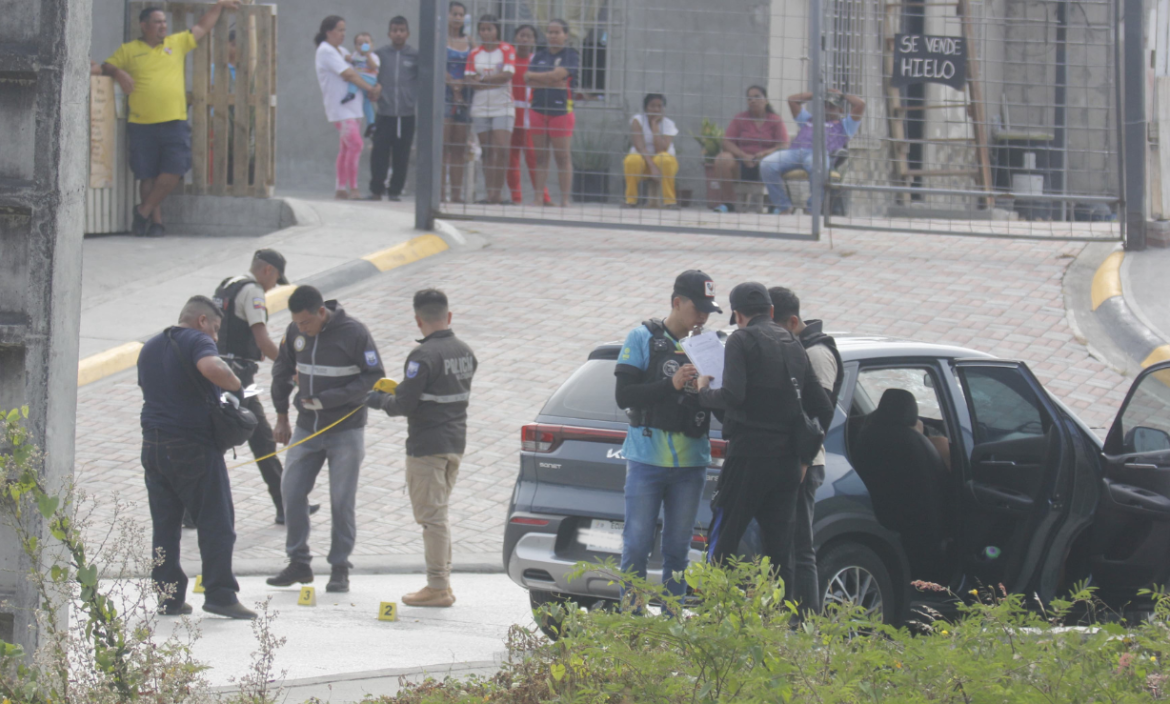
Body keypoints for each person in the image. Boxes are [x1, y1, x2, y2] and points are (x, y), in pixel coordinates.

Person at [696, 283, 833, 591]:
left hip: (749, 456)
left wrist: (703, 392)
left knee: (724, 539)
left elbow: (733, 395)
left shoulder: (741, 340)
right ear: (771, 311)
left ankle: (710, 615)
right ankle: (783, 627)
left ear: (738, 315)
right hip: (787, 464)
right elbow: (823, 407)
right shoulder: (794, 343)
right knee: (781, 553)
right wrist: (805, 457)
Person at [137, 296, 255, 620]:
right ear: (202, 321)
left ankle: (168, 597)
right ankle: (220, 594)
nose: (215, 338)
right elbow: (210, 366)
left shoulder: (150, 347)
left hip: (153, 446)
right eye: (215, 329)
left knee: (165, 526)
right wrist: (236, 384)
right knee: (216, 522)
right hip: (192, 446)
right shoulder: (198, 340)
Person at [613, 270, 722, 604]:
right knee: (636, 545)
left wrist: (709, 386)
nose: (703, 315)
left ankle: (673, 626)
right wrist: (671, 385)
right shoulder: (641, 337)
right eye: (697, 307)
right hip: (647, 459)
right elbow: (624, 396)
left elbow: (725, 402)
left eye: (709, 309)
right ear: (677, 302)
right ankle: (632, 623)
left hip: (691, 464)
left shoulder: (708, 346)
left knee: (678, 549)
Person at [267, 286, 384, 593]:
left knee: (341, 500)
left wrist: (330, 399)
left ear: (322, 312)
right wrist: (281, 415)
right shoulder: (295, 331)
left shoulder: (355, 333)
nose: (301, 329)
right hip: (307, 428)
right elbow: (281, 371)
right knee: (291, 491)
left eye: (306, 323)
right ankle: (299, 562)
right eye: (297, 323)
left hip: (346, 430)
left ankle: (340, 566)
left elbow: (374, 377)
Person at [366, 290, 477, 608]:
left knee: (432, 518)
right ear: (449, 316)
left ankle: (438, 586)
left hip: (427, 445)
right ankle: (441, 582)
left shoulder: (422, 357)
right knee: (437, 514)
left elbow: (403, 404)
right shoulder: (466, 351)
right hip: (455, 443)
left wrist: (379, 400)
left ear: (418, 319)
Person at [102, 0, 241, 238]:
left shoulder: (175, 44)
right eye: (157, 22)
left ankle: (143, 211)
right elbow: (106, 66)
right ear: (143, 25)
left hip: (173, 121)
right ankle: (155, 223)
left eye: (164, 22)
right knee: (146, 175)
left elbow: (202, 27)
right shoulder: (129, 50)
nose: (163, 26)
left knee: (174, 171)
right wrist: (118, 71)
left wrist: (218, 6)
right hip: (141, 123)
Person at [212, 249, 317, 525]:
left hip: (222, 374)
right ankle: (287, 506)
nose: (273, 288)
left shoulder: (228, 285)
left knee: (255, 440)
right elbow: (263, 341)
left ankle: (287, 505)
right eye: (275, 280)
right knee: (250, 439)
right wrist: (290, 369)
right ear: (268, 270)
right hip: (239, 381)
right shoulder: (254, 291)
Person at [769, 286, 842, 616]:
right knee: (784, 546)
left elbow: (818, 414)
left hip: (806, 462)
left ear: (793, 322)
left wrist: (801, 458)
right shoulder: (800, 348)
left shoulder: (816, 354)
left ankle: (807, 620)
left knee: (801, 548)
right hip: (790, 459)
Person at [759, 89, 865, 214]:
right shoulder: (809, 119)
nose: (826, 108)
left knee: (818, 166)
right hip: (794, 152)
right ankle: (784, 207)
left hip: (819, 155)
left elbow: (860, 104)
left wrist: (841, 95)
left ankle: (811, 209)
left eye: (831, 106)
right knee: (766, 164)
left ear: (840, 110)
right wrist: (818, 93)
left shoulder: (845, 125)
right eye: (824, 105)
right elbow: (792, 100)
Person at [314, 15, 381, 201]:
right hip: (341, 108)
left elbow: (364, 68)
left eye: (344, 30)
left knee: (346, 149)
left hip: (354, 107)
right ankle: (354, 188)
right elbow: (349, 74)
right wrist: (369, 88)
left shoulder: (341, 50)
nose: (343, 34)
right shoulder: (326, 51)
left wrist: (375, 85)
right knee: (357, 145)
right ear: (328, 32)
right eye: (340, 30)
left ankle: (340, 188)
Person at [526, 19, 579, 207]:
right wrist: (551, 79)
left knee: (562, 157)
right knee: (540, 157)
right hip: (538, 108)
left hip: (561, 111)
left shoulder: (571, 55)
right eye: (550, 32)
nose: (553, 36)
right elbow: (528, 80)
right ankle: (539, 197)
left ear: (565, 35)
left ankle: (565, 200)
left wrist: (540, 77)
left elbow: (561, 77)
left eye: (557, 32)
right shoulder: (539, 56)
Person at [711, 86, 788, 213]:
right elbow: (726, 142)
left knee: (775, 162)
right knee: (722, 159)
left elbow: (783, 145)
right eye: (749, 98)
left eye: (757, 97)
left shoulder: (775, 120)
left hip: (765, 163)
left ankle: (775, 204)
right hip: (741, 163)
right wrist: (743, 155)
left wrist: (764, 154)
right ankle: (728, 203)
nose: (752, 100)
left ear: (766, 100)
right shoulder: (740, 118)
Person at [465, 14, 516, 205]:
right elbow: (470, 81)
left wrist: (484, 80)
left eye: (490, 29)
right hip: (480, 107)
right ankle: (489, 192)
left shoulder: (506, 49)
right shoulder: (475, 53)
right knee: (487, 151)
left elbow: (507, 75)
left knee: (501, 148)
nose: (486, 32)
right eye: (483, 29)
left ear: (497, 30)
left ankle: (498, 193)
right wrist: (489, 81)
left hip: (503, 106)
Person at [368, 16, 419, 201]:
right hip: (384, 113)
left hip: (406, 115)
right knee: (379, 153)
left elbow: (423, 80)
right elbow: (369, 75)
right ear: (389, 33)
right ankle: (376, 190)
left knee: (402, 155)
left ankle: (395, 191)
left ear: (408, 33)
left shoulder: (415, 56)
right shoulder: (380, 55)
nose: (398, 34)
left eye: (402, 30)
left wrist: (412, 98)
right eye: (395, 30)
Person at [506, 25, 551, 206]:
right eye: (522, 35)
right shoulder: (509, 60)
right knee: (511, 160)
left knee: (534, 158)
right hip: (510, 114)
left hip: (531, 116)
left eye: (529, 36)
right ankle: (516, 198)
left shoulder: (537, 61)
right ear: (516, 38)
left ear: (534, 40)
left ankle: (543, 197)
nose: (525, 39)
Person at [623, 94, 680, 209]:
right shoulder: (637, 121)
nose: (656, 110)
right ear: (645, 108)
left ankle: (670, 202)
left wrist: (654, 127)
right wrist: (652, 166)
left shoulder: (668, 124)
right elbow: (640, 146)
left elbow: (661, 149)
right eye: (652, 106)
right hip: (644, 162)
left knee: (664, 158)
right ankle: (631, 200)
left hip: (663, 165)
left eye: (660, 106)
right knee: (632, 160)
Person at [444, 2, 471, 204]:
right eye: (454, 14)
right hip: (444, 95)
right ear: (447, 15)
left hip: (464, 97)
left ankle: (456, 194)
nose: (457, 18)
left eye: (461, 15)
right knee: (443, 146)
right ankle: (438, 193)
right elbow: (434, 63)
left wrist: (462, 85)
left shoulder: (471, 42)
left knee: (459, 147)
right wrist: (452, 83)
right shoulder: (439, 39)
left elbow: (476, 65)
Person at [347, 32, 381, 136]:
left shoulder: (373, 56)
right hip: (362, 84)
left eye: (366, 43)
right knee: (366, 102)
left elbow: (373, 67)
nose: (363, 46)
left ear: (372, 45)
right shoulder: (356, 55)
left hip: (370, 79)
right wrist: (347, 58)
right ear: (356, 47)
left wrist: (367, 55)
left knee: (355, 78)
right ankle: (371, 123)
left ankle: (351, 93)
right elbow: (350, 59)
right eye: (360, 44)